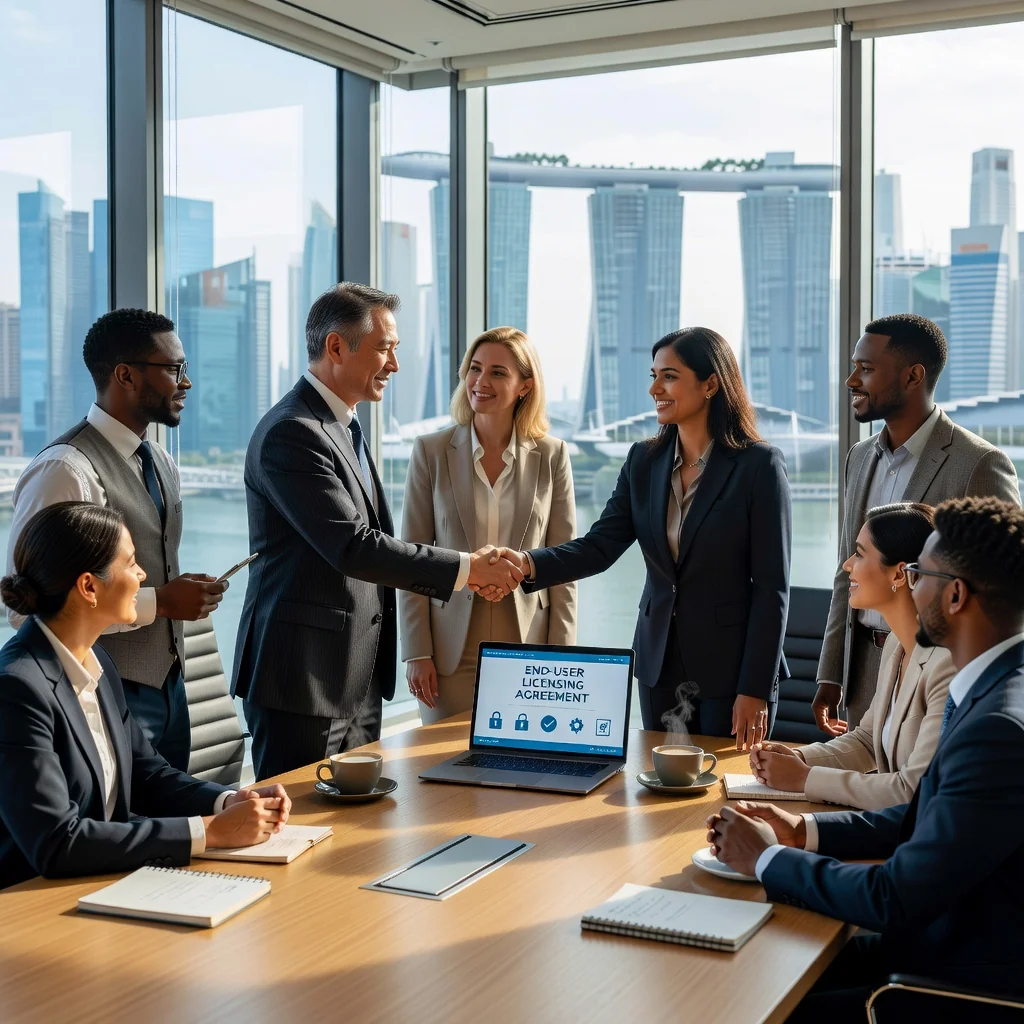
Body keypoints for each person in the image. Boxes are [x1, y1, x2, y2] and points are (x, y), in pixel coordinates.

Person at [707, 496, 1024, 1022]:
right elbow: (923, 816)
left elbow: (893, 897)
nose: (912, 587)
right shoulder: (995, 685)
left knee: (749, 1002)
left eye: (920, 574)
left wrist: (767, 859)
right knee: (745, 968)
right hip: (936, 948)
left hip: (953, 984)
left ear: (955, 595)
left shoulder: (997, 729)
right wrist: (804, 831)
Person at [232, 283, 525, 780]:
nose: (394, 364)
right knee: (296, 819)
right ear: (336, 347)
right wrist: (468, 568)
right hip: (302, 680)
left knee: (352, 821)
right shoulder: (293, 431)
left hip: (353, 676)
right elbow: (352, 546)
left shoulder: (342, 426)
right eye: (384, 348)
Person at [495, 326, 791, 748]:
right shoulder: (643, 461)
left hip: (733, 672)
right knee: (658, 778)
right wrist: (527, 563)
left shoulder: (759, 465)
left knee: (724, 783)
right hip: (658, 663)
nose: (655, 389)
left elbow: (771, 588)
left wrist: (756, 688)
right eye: (653, 376)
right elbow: (600, 546)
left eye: (669, 376)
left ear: (710, 384)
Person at [0, 502, 291, 891]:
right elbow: (56, 842)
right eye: (131, 562)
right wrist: (209, 832)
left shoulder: (98, 661)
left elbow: (147, 775)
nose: (142, 575)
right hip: (33, 900)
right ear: (89, 587)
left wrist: (229, 802)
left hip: (106, 880)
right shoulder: (17, 688)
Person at [5, 309, 228, 772]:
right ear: (125, 375)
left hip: (171, 690)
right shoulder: (65, 468)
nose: (186, 382)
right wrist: (160, 603)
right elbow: (28, 606)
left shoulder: (161, 460)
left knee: (171, 807)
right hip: (99, 692)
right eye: (174, 369)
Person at [814, 313, 1019, 733]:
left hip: (938, 669)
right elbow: (846, 567)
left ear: (913, 376)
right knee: (861, 768)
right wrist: (831, 673)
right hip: (864, 668)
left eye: (866, 369)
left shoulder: (978, 463)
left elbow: (1005, 581)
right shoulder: (859, 457)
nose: (852, 381)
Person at [400, 327, 577, 723]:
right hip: (448, 649)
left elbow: (564, 565)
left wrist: (562, 658)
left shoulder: (552, 455)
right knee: (444, 756)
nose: (481, 381)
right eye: (475, 368)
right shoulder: (431, 451)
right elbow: (412, 558)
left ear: (525, 386)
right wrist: (416, 652)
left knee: (521, 756)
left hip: (529, 642)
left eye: (498, 372)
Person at [750, 502, 955, 810]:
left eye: (859, 554)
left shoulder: (946, 665)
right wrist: (799, 758)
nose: (847, 565)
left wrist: (804, 778)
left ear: (899, 574)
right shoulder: (895, 646)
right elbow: (866, 741)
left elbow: (912, 790)